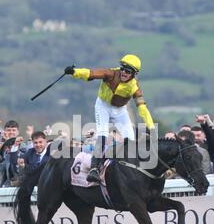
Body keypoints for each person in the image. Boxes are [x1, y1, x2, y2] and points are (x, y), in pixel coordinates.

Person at [64, 54, 155, 182]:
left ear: (134, 74)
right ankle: (94, 169)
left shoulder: (135, 87)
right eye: (123, 68)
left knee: (131, 140)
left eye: (128, 71)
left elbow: (142, 108)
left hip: (120, 110)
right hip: (103, 106)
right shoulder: (111, 73)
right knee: (102, 135)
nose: (123, 72)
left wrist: (150, 127)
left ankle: (132, 170)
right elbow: (91, 74)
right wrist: (74, 72)